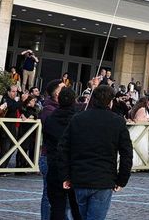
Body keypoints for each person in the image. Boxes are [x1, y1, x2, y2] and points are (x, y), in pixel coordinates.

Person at [58, 85, 133, 220]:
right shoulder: (117, 121)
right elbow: (126, 153)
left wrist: (65, 175)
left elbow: (63, 148)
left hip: (80, 177)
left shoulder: (78, 118)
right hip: (103, 180)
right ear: (110, 102)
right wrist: (122, 179)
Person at [43, 88, 82, 220]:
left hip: (55, 165)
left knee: (57, 207)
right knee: (77, 208)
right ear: (74, 101)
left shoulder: (50, 119)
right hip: (73, 167)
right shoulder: (78, 120)